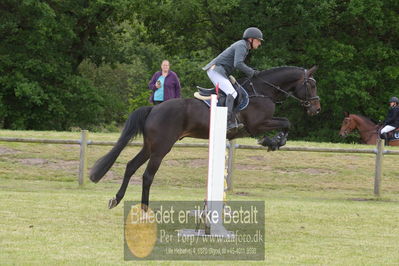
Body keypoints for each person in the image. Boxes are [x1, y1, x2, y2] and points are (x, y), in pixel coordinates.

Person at [203, 27, 263, 132]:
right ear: (250, 39)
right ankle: (228, 122)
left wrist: (251, 71)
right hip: (215, 70)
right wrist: (252, 72)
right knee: (232, 93)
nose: (259, 43)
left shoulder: (244, 46)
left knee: (232, 91)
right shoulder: (242, 45)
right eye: (258, 40)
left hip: (219, 70)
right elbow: (238, 64)